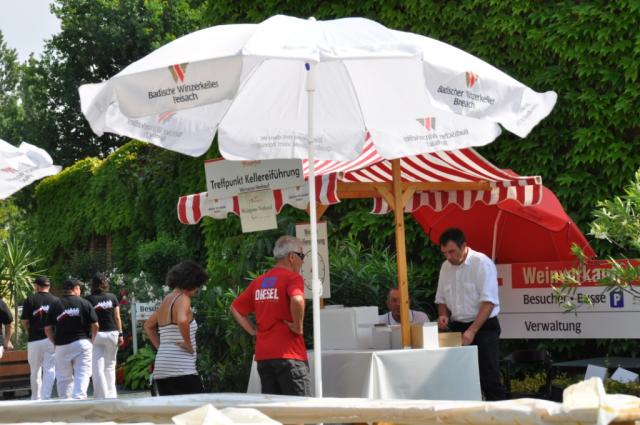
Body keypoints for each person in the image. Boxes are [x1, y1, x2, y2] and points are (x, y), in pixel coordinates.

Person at [231, 235, 311, 396]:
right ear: (291, 257)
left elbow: (235, 308)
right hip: (289, 354)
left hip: (264, 356)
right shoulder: (293, 278)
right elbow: (297, 299)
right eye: (302, 256)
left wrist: (252, 331)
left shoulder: (259, 282)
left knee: (274, 408)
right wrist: (298, 326)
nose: (302, 261)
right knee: (299, 408)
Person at [435, 227, 506, 401]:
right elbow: (441, 299)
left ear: (464, 245)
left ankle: (500, 415)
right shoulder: (445, 267)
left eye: (452, 251)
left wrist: (472, 331)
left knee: (489, 379)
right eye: (444, 253)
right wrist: (443, 315)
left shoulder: (481, 263)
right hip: (457, 326)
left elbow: (488, 302)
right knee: (460, 379)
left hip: (483, 327)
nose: (448, 257)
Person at [143, 260, 208, 396]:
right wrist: (188, 345)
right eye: (197, 286)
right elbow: (182, 320)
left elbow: (148, 325)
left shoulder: (166, 300)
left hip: (162, 370)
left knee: (171, 409)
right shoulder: (183, 299)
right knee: (198, 408)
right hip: (182, 369)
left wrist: (161, 347)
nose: (197, 290)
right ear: (191, 282)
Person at [45, 278, 99, 399]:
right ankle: (79, 399)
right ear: (75, 289)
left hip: (62, 345)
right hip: (82, 343)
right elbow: (95, 325)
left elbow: (47, 328)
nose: (80, 291)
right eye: (79, 288)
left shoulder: (55, 305)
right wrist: (92, 340)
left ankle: (65, 402)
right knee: (82, 374)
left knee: (63, 377)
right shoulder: (84, 303)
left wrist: (55, 342)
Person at [86, 273, 123, 399]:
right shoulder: (112, 297)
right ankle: (112, 395)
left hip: (97, 334)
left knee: (97, 367)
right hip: (112, 333)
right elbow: (117, 317)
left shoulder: (88, 299)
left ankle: (101, 396)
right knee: (110, 365)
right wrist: (121, 334)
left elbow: (87, 320)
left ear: (93, 284)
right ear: (105, 283)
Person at [20, 276, 58, 400]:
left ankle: (35, 398)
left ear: (36, 286)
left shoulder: (30, 299)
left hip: (34, 339)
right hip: (51, 339)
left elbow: (24, 321)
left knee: (35, 370)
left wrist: (29, 330)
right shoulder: (56, 300)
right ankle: (46, 397)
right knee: (50, 369)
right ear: (49, 286)